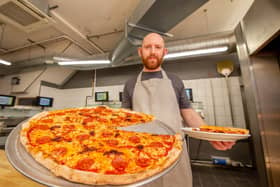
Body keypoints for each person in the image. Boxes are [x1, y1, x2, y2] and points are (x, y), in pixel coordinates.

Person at [121, 32, 235, 187]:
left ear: (164, 52)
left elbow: (188, 113)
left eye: (158, 47)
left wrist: (211, 134)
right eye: (148, 47)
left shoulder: (175, 81)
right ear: (140, 52)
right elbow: (124, 119)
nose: (153, 51)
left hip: (174, 153)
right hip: (140, 154)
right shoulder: (130, 84)